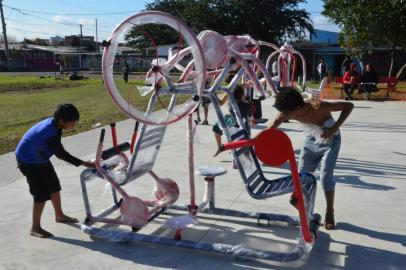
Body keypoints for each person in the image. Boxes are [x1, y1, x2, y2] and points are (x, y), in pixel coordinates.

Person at [267, 87, 353, 230]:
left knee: (325, 176)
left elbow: (349, 106)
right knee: (302, 176)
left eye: (288, 112)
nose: (285, 115)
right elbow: (270, 129)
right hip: (312, 138)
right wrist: (247, 144)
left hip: (331, 138)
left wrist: (334, 128)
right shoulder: (286, 112)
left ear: (298, 106)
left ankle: (329, 211)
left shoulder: (318, 106)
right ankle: (306, 209)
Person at [15, 104, 95, 238]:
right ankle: (35, 228)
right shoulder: (50, 132)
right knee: (41, 194)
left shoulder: (55, 124)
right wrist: (86, 164)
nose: (74, 125)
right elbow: (62, 154)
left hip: (39, 157)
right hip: (28, 161)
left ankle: (59, 215)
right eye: (73, 122)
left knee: (54, 186)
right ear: (62, 121)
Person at [213, 84, 251, 156]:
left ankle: (229, 149)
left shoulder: (231, 102)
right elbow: (221, 103)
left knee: (242, 143)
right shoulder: (231, 92)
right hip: (235, 120)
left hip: (237, 122)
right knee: (217, 127)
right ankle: (221, 148)